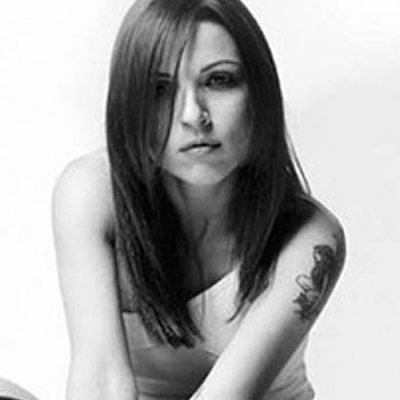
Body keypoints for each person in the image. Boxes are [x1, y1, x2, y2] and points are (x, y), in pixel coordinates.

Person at [52, 0, 346, 399]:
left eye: (219, 80)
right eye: (159, 90)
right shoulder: (92, 192)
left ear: (260, 93)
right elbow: (100, 381)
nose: (193, 115)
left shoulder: (309, 235)